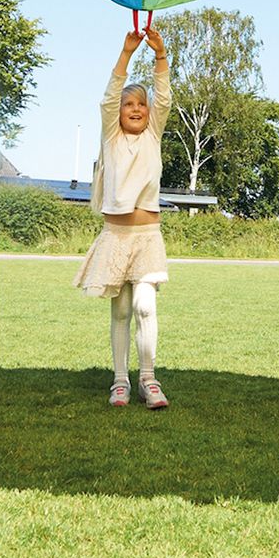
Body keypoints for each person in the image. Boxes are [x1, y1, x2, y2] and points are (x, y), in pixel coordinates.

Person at [73, 25, 173, 409]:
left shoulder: (153, 135)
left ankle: (148, 379)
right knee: (122, 310)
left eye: (141, 105)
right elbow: (109, 95)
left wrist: (160, 54)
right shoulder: (112, 137)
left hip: (147, 237)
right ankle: (120, 382)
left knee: (145, 306)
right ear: (118, 113)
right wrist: (127, 53)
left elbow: (164, 96)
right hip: (116, 237)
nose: (135, 109)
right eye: (128, 104)